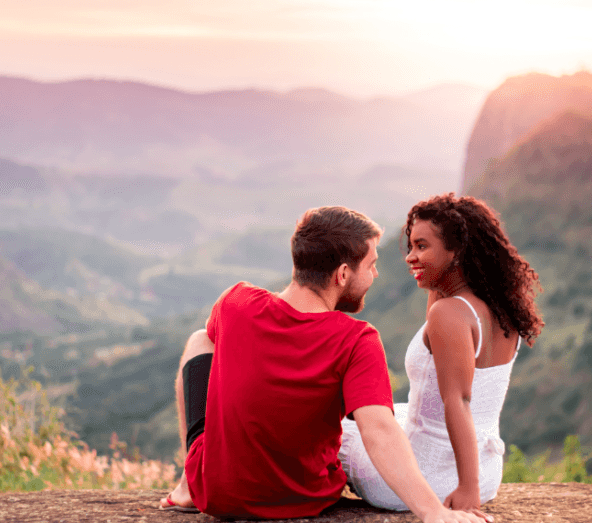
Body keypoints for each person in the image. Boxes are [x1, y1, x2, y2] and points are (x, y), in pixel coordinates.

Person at [158, 205, 490, 523]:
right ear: (343, 274)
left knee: (201, 339)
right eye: (371, 265)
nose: (375, 274)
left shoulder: (235, 302)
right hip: (302, 497)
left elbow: (215, 353)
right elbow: (379, 430)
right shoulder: (356, 339)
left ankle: (190, 479)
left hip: (217, 495)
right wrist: (433, 512)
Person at [339, 194, 543, 512]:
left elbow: (458, 401)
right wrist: (438, 270)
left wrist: (467, 490)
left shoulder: (449, 315)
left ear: (458, 250)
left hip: (425, 477)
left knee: (339, 424)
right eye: (410, 246)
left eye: (422, 246)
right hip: (486, 469)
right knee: (396, 411)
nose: (410, 257)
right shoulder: (501, 308)